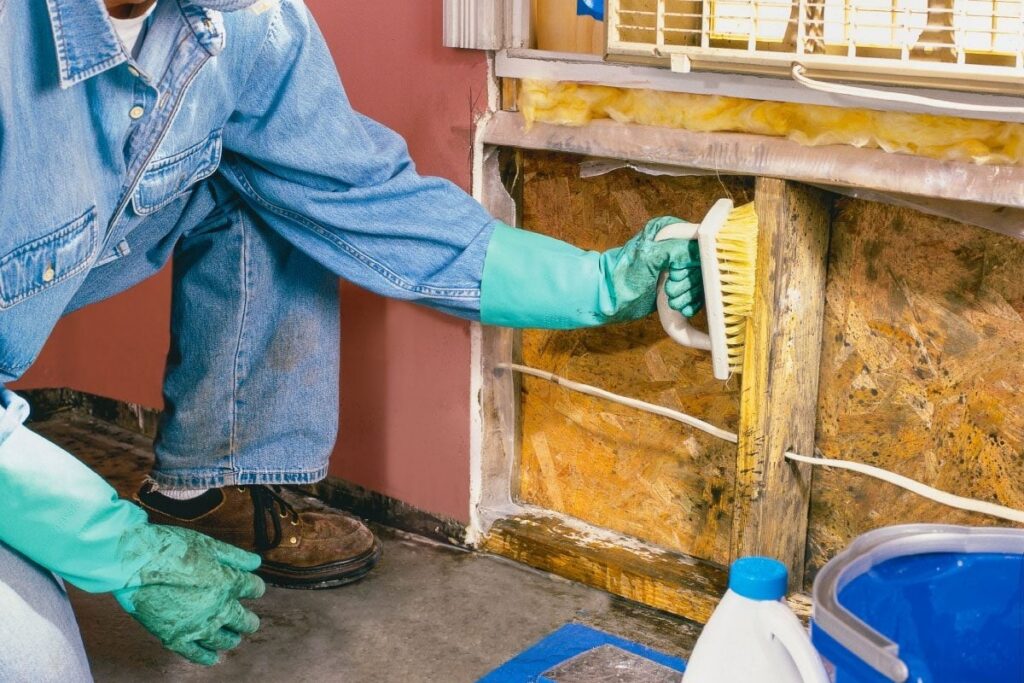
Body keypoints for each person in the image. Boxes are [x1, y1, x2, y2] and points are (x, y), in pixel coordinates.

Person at [0, 0, 706, 677]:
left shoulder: (246, 23)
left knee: (275, 180)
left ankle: (222, 477)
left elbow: (369, 203)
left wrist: (601, 283)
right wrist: (120, 549)